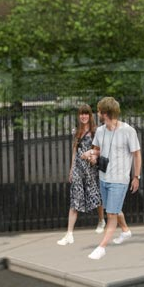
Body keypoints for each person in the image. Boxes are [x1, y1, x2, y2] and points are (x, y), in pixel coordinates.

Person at [87, 96, 140, 261]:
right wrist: (92, 156)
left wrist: (136, 176)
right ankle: (125, 231)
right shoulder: (101, 131)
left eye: (99, 111)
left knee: (110, 214)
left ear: (105, 113)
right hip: (104, 177)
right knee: (113, 209)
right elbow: (96, 150)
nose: (97, 113)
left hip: (120, 180)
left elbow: (136, 155)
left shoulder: (128, 131)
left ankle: (101, 247)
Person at [55, 103, 105, 246]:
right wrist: (71, 169)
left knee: (95, 195)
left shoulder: (96, 132)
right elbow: (74, 151)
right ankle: (69, 234)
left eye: (86, 114)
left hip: (90, 168)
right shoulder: (76, 131)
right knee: (74, 200)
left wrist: (91, 155)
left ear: (90, 115)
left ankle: (101, 220)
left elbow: (100, 150)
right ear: (79, 116)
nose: (83, 116)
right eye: (81, 114)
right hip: (78, 169)